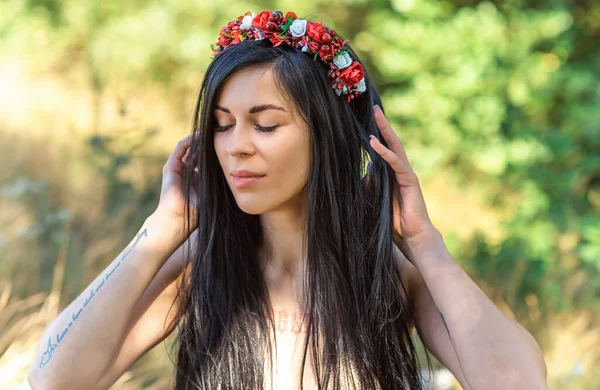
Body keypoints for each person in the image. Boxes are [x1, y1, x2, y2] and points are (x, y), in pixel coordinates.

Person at [28, 10, 547, 390]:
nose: (236, 146)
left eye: (266, 123)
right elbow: (53, 379)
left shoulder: (385, 275)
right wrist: (161, 228)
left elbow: (518, 382)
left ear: (328, 135)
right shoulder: (202, 269)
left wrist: (424, 243)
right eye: (222, 126)